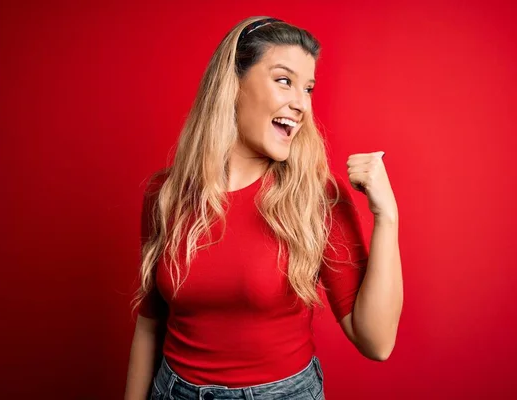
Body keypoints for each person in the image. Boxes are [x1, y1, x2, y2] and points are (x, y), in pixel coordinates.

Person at [124, 16, 403, 400]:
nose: (301, 103)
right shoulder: (166, 193)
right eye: (284, 80)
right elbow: (149, 324)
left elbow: (377, 341)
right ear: (233, 84)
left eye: (308, 88)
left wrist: (387, 217)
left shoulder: (316, 195)